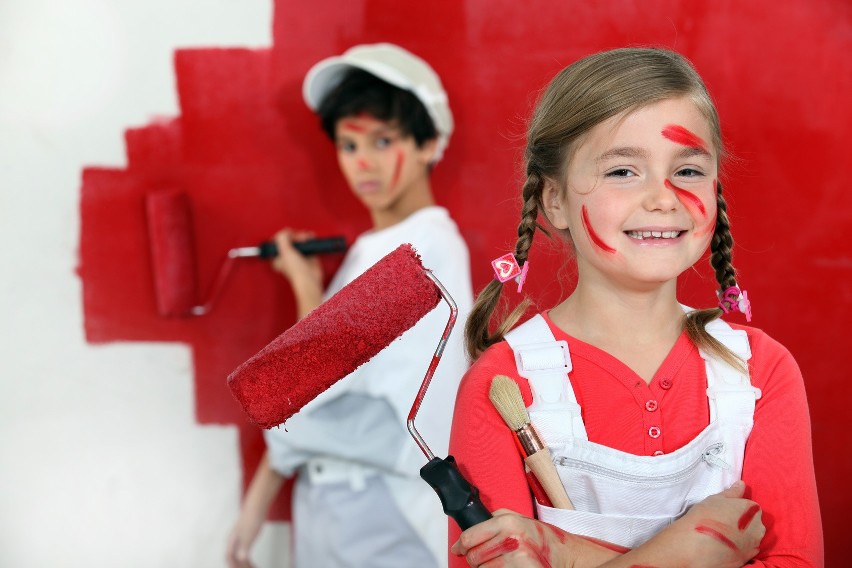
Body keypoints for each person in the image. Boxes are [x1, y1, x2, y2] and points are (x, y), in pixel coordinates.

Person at [448, 47, 822, 567]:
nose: (664, 198)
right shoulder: (502, 385)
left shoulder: (762, 372)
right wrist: (688, 551)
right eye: (623, 172)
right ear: (553, 199)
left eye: (688, 170)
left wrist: (563, 552)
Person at [227, 43, 474, 568]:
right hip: (340, 502)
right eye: (348, 144)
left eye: (383, 141)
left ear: (429, 143)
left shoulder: (422, 251)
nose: (363, 163)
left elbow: (311, 382)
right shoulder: (378, 247)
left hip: (384, 509)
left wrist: (303, 289)